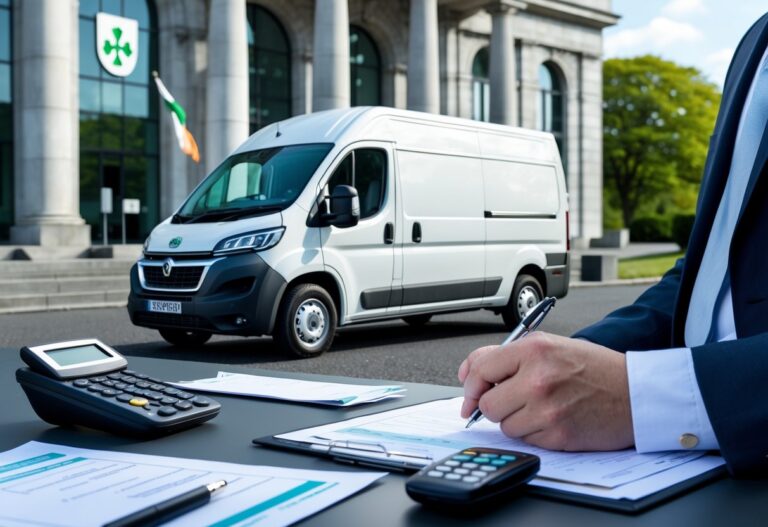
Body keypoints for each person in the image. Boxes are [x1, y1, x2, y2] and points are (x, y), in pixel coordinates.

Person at [458, 11, 768, 478]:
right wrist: (565, 363)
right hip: (683, 472)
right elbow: (714, 269)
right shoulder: (754, 42)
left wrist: (642, 398)